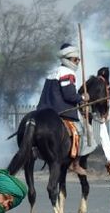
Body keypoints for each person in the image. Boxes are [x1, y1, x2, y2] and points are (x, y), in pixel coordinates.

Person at [36, 43, 88, 175]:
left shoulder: (53, 71)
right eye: (76, 59)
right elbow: (69, 95)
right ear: (69, 59)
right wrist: (82, 97)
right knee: (80, 131)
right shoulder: (68, 73)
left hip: (43, 111)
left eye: (78, 60)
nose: (77, 62)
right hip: (61, 111)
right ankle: (75, 163)